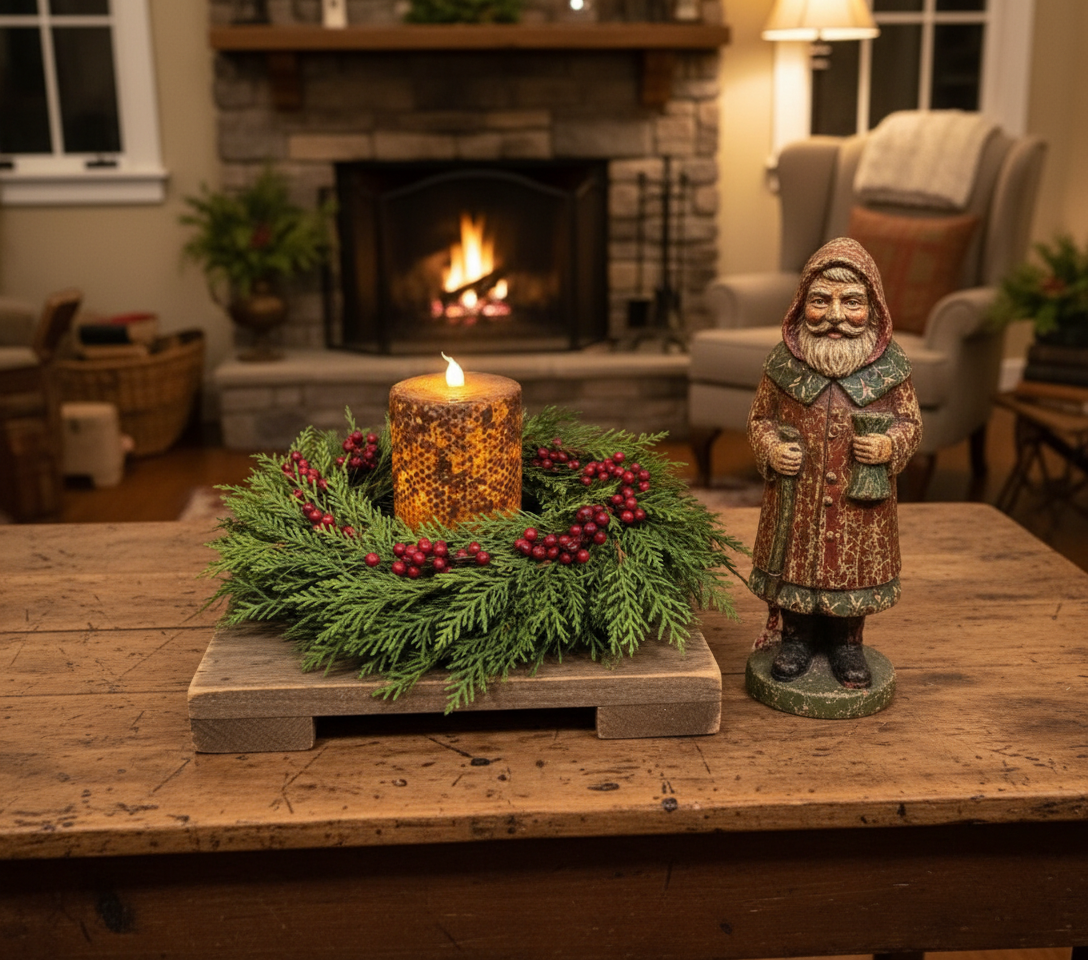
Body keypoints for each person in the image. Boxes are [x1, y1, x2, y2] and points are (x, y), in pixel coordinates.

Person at [747, 237, 922, 688]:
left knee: (852, 574)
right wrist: (770, 448)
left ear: (874, 307)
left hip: (858, 506)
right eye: (821, 301)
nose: (836, 316)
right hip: (798, 501)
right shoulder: (783, 365)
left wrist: (888, 447)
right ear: (800, 303)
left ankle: (848, 644)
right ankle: (796, 639)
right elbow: (760, 418)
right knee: (797, 571)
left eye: (852, 302)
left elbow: (910, 423)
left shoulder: (890, 368)